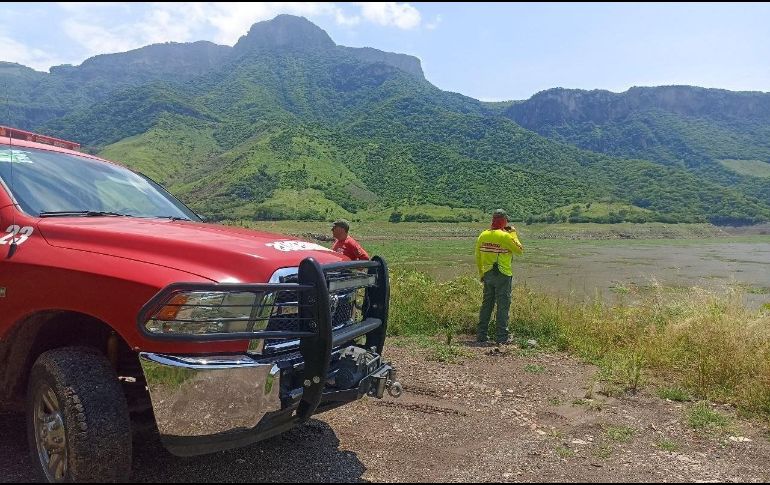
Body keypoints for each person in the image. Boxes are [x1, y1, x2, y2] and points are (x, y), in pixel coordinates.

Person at [475, 209, 524, 345]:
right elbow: (519, 250)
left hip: (487, 274)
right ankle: (502, 337)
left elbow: (478, 256)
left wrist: (481, 274)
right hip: (503, 274)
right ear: (504, 221)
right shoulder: (505, 236)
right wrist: (513, 233)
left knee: (487, 305)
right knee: (503, 305)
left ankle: (481, 334)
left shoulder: (483, 235)